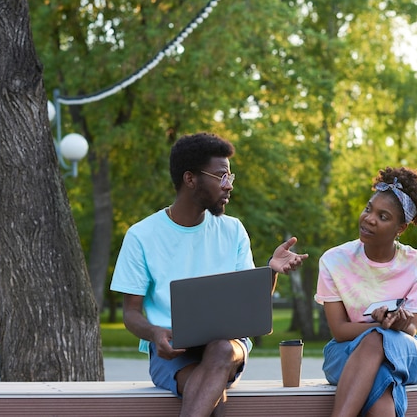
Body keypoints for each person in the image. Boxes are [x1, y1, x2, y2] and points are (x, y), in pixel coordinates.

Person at [110, 132, 308, 417]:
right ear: (190, 179)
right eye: (221, 177)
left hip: (229, 346)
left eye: (231, 177)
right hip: (174, 353)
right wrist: (155, 333)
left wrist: (271, 272)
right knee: (210, 394)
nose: (229, 186)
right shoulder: (141, 235)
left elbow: (249, 305)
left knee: (220, 351)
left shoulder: (234, 229)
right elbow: (131, 313)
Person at [315, 166, 417, 417]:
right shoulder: (334, 260)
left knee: (377, 341)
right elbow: (339, 331)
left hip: (406, 353)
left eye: (383, 217)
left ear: (400, 228)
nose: (369, 218)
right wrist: (380, 327)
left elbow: (412, 330)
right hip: (345, 352)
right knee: (381, 378)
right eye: (368, 209)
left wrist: (396, 326)